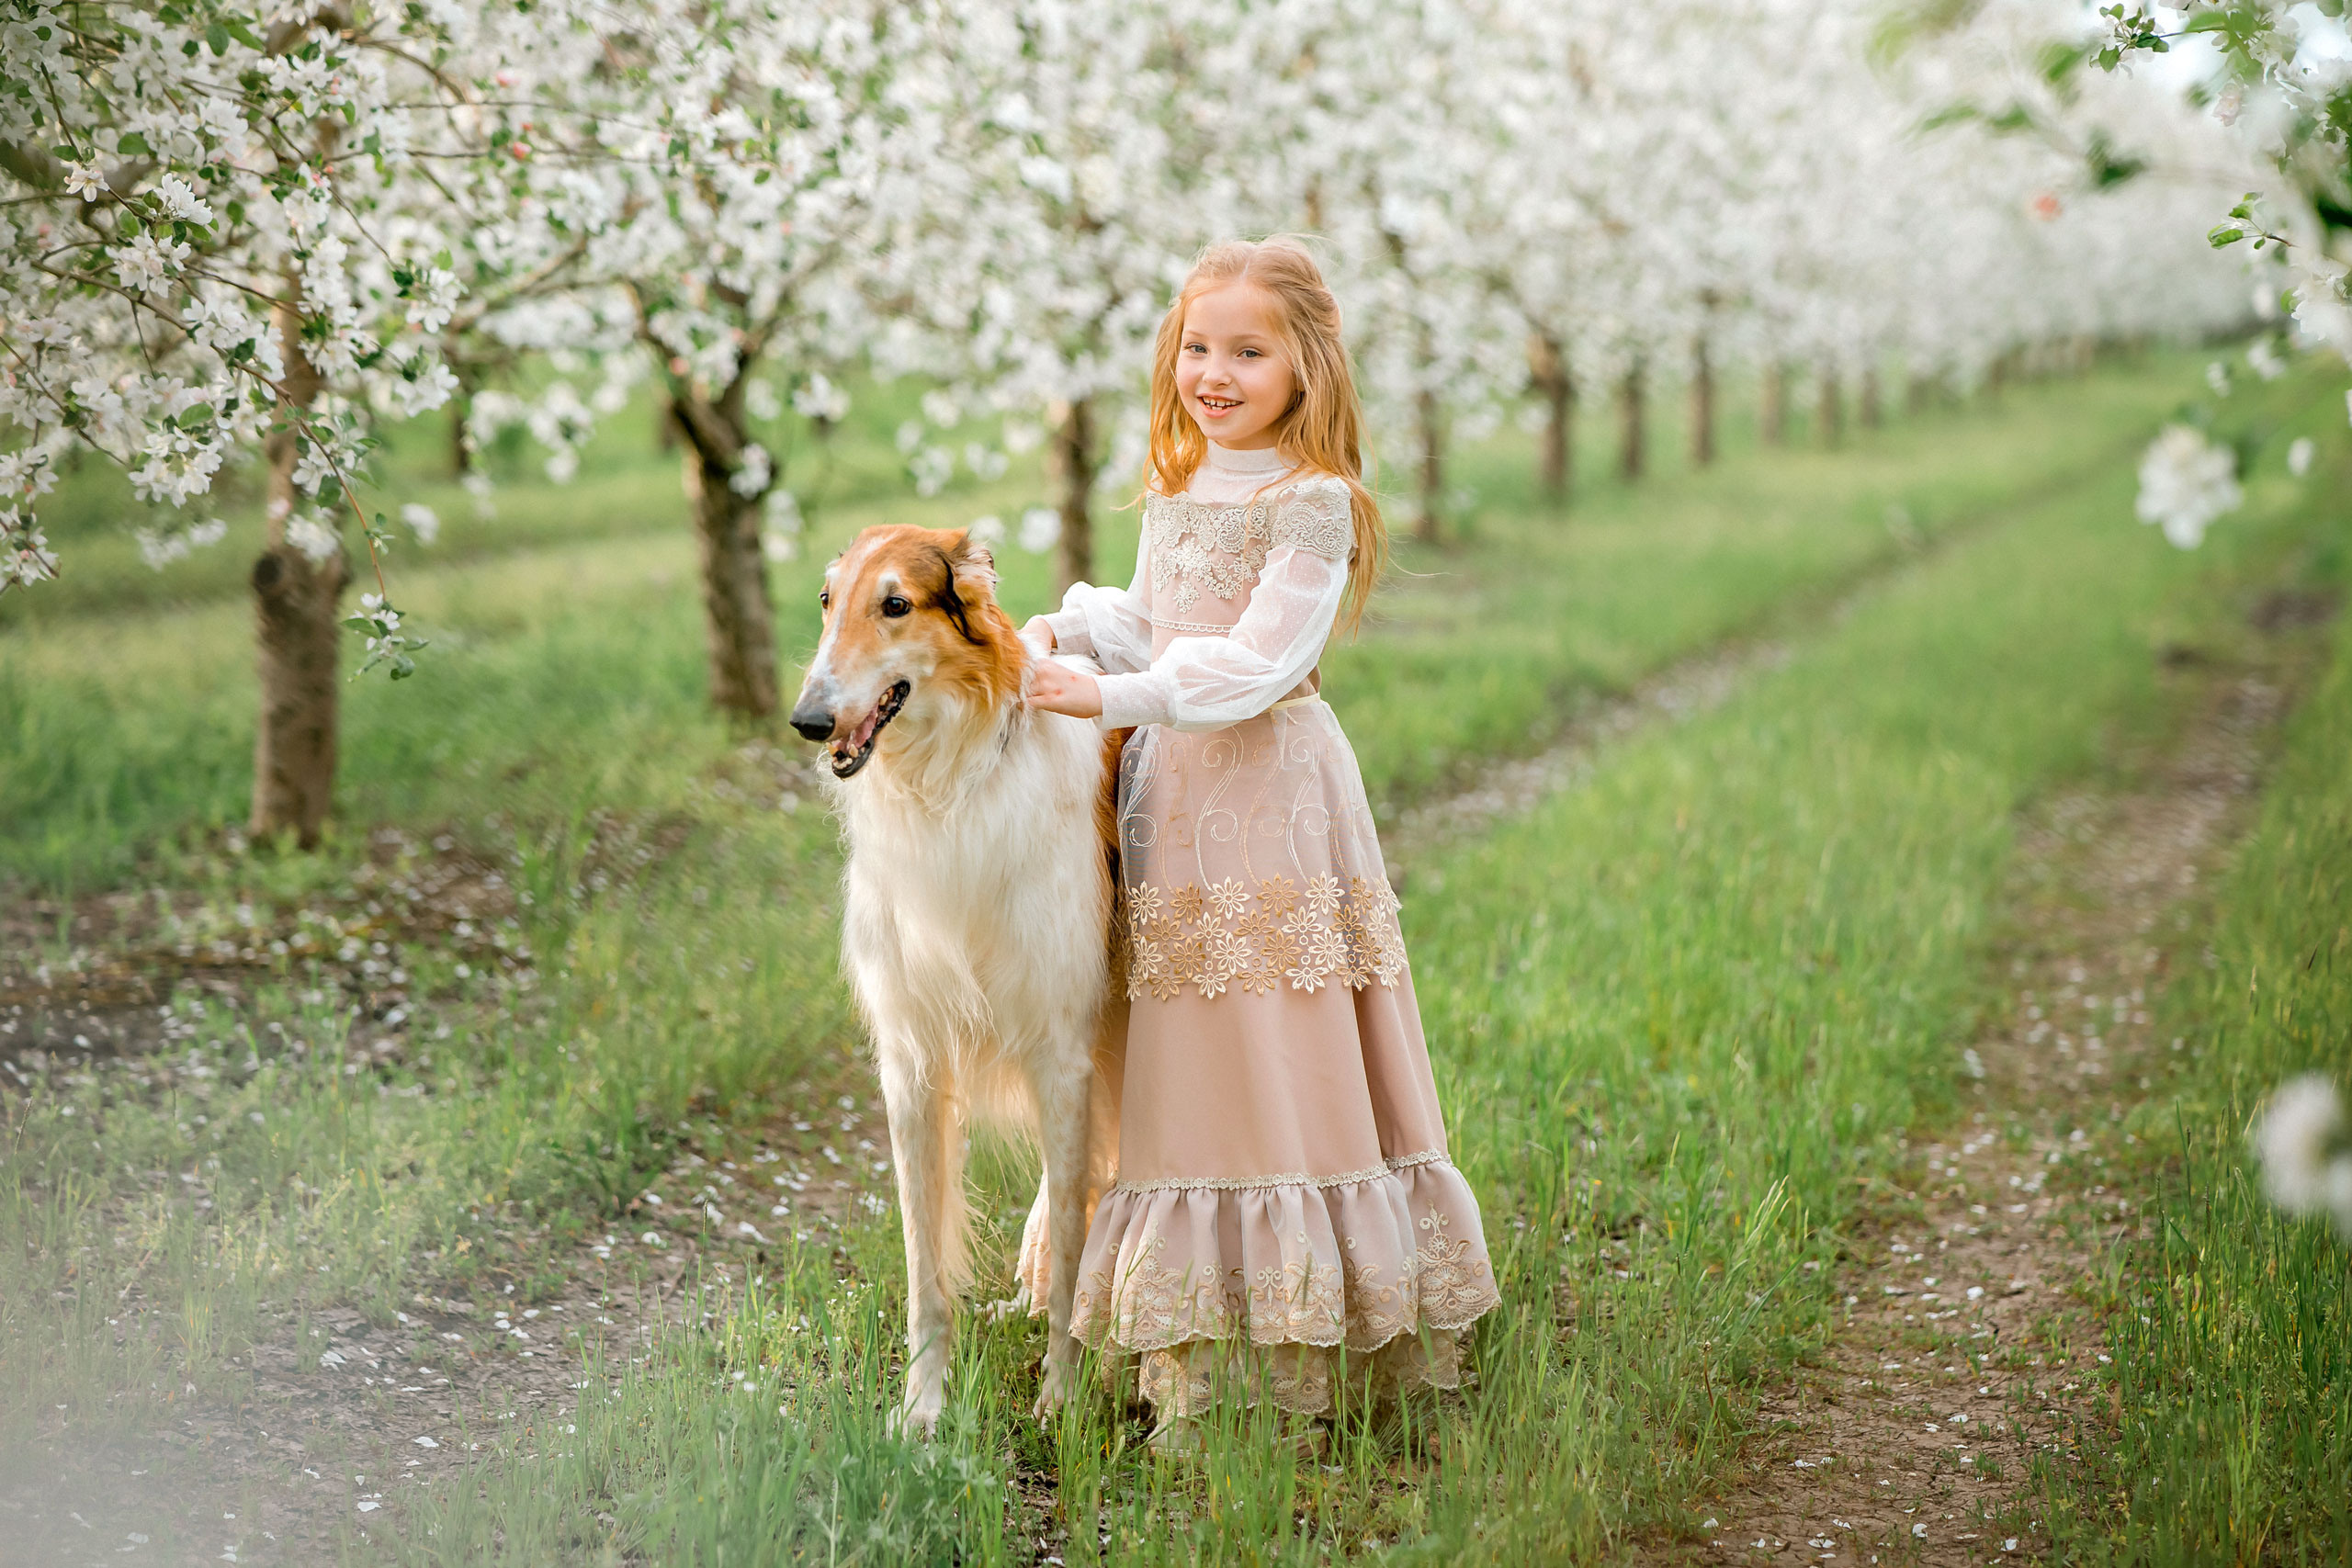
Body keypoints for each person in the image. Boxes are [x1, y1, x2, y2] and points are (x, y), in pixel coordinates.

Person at [1022, 238, 1499, 1451]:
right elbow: (1156, 627)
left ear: (1307, 365)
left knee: (1275, 1032)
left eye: (1248, 350)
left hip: (1271, 789)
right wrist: (1071, 645)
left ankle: (1299, 1348)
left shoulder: (1312, 502)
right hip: (1178, 790)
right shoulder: (1184, 490)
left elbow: (1256, 660)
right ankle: (1195, 1352)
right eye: (1197, 347)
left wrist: (1113, 695)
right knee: (1184, 1042)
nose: (1215, 373)